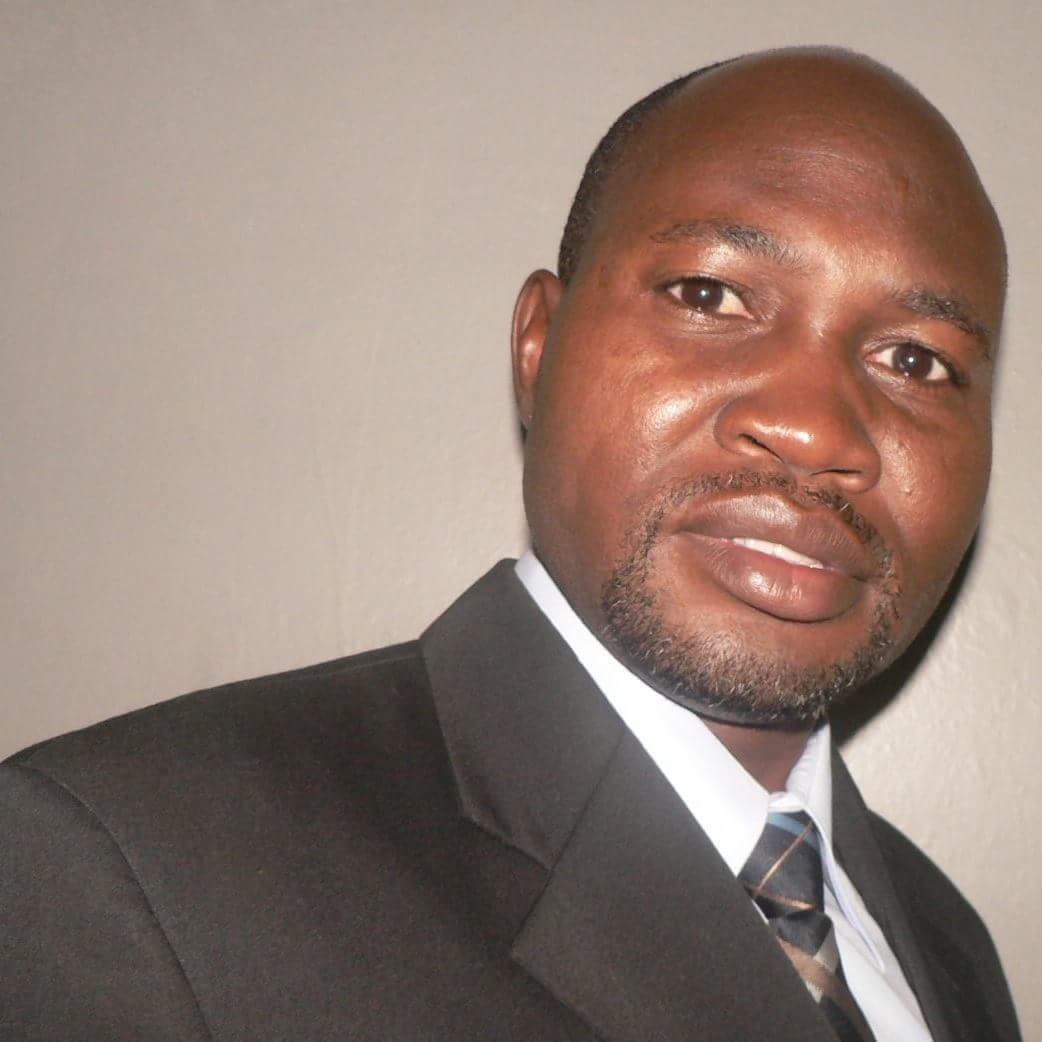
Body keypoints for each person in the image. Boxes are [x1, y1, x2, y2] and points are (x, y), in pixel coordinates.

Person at [0, 45, 1020, 1042]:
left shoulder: (945, 942)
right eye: (709, 295)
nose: (816, 429)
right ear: (538, 346)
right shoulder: (131, 870)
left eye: (917, 360)